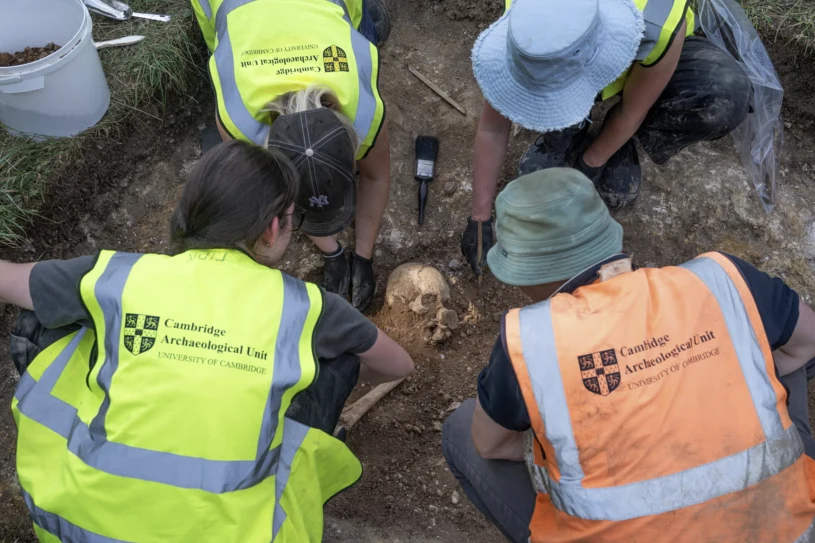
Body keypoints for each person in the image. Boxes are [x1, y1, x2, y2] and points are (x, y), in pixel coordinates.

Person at [1, 141, 414, 543]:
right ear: (273, 228)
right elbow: (398, 365)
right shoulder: (305, 307)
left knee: (51, 317)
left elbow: (11, 281)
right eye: (293, 217)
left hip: (72, 525)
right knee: (336, 363)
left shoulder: (117, 276)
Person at [443, 168, 815, 543]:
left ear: (528, 273)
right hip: (787, 529)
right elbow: (807, 342)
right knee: (764, 338)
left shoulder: (531, 339)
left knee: (462, 428)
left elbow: (492, 444)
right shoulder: (721, 279)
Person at [460, 0, 752, 276]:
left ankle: (620, 142)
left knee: (722, 96)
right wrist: (480, 217)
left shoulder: (658, 22)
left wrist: (588, 167)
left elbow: (632, 112)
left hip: (648, 62)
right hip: (584, 58)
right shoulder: (526, 19)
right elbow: (493, 128)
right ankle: (566, 126)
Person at [193, 0, 392, 311]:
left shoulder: (364, 111)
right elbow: (283, 198)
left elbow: (375, 175)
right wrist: (333, 253)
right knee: (223, 41)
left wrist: (363, 256)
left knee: (362, 29)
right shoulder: (237, 118)